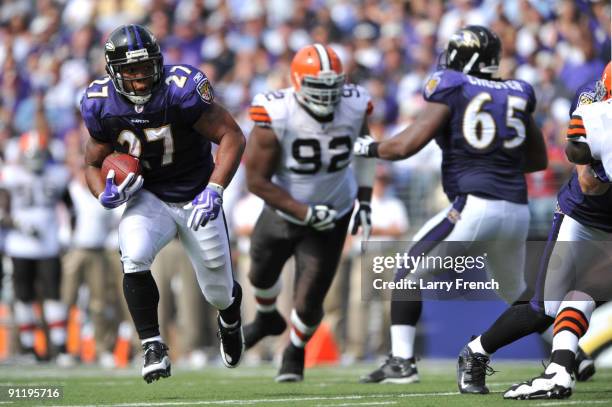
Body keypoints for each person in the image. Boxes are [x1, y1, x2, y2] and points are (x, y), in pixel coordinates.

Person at [353, 25, 547, 384]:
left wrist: (368, 147)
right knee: (519, 296)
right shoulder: (517, 90)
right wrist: (494, 158)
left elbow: (406, 145)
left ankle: (401, 362)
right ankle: (570, 355)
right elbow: (537, 161)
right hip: (516, 208)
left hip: (474, 206)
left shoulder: (453, 85)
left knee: (406, 274)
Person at [80, 24, 246, 383]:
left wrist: (215, 189)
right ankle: (152, 345)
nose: (139, 76)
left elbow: (231, 135)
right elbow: (93, 163)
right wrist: (103, 194)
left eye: (145, 67)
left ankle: (230, 319)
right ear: (114, 72)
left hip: (197, 193)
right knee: (134, 254)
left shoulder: (181, 90)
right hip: (149, 195)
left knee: (218, 292)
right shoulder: (99, 103)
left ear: (158, 62)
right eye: (130, 70)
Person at [455, 62, 611, 397]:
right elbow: (587, 182)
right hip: (583, 217)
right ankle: (477, 351)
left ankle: (559, 369)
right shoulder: (594, 111)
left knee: (589, 292)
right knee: (545, 308)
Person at [243, 43, 375, 382]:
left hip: (333, 210)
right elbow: (256, 180)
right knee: (259, 275)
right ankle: (267, 317)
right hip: (285, 206)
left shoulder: (356, 104)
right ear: (298, 83)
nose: (330, 97)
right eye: (320, 88)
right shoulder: (277, 111)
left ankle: (295, 351)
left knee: (310, 297)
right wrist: (303, 211)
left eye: (335, 88)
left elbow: (365, 150)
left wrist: (366, 199)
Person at [503, 75, 612, 400]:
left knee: (584, 290)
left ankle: (560, 372)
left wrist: (597, 165)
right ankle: (560, 370)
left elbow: (579, 159)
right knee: (585, 291)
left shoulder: (597, 117)